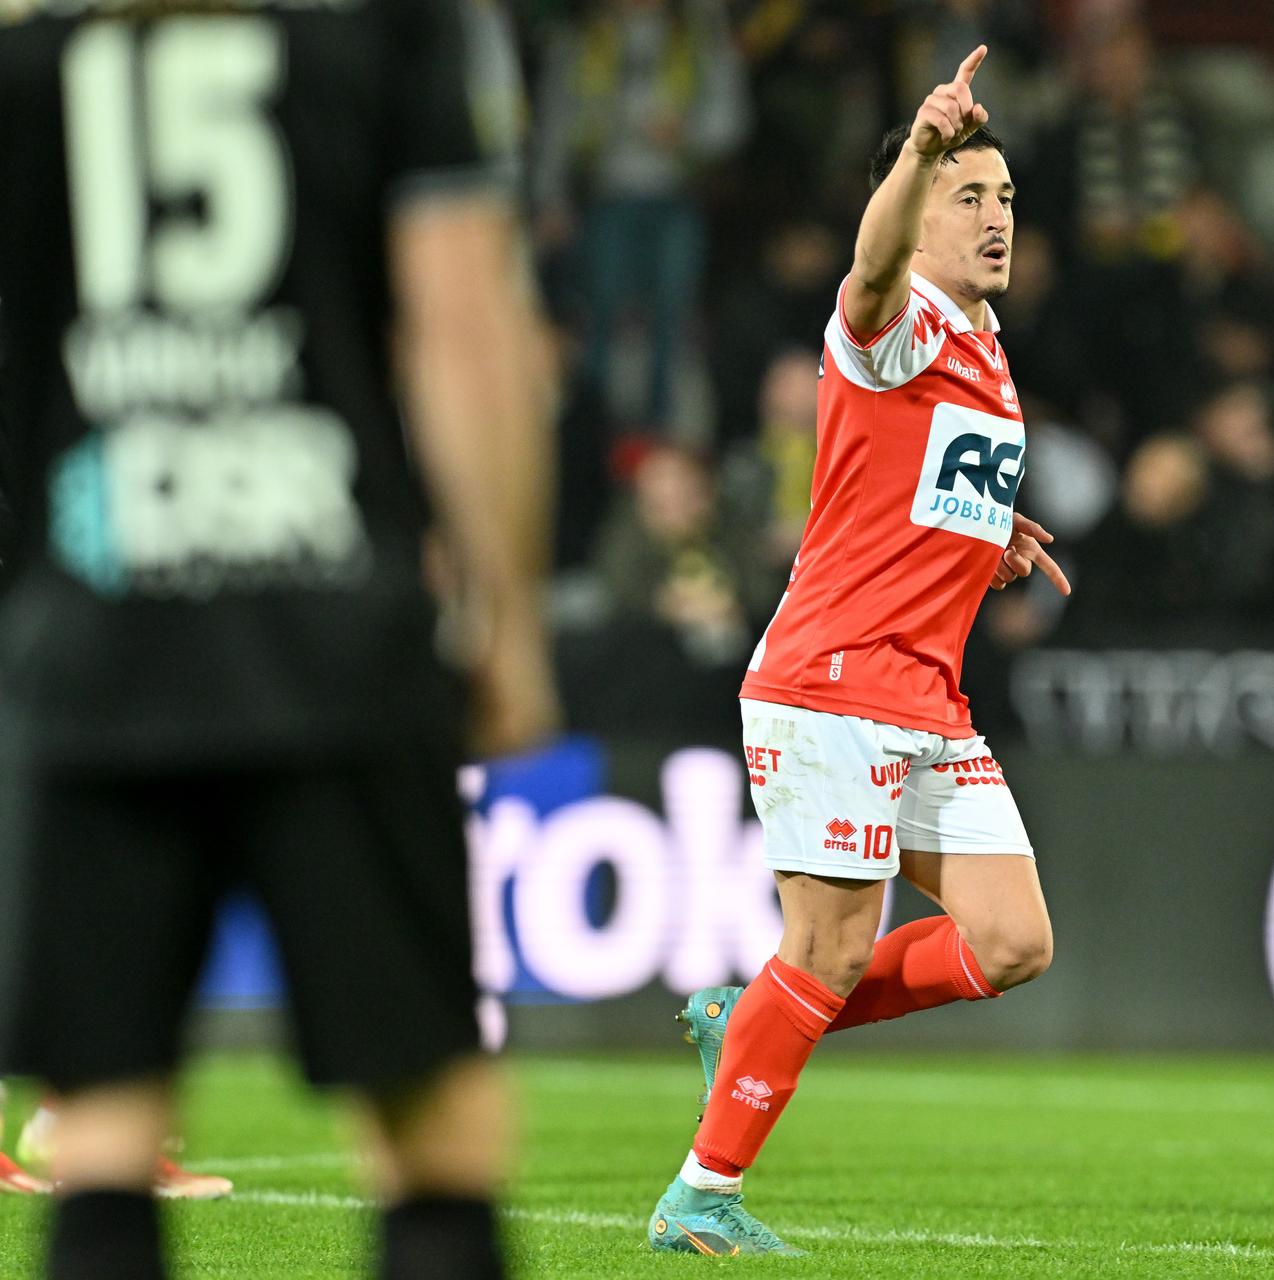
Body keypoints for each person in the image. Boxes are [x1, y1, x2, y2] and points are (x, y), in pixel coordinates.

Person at [0, 2, 558, 1277]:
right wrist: (507, 615)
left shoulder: (33, 48)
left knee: (100, 1129)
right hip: (336, 636)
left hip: (96, 638)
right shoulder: (391, 32)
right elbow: (462, 326)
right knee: (435, 1126)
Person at [645, 46, 1067, 1256]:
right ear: (919, 203)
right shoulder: (899, 316)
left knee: (1012, 939)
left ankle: (756, 1017)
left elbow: (912, 481)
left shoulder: (983, 343)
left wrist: (987, 531)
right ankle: (702, 1192)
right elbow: (869, 268)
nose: (993, 219)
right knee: (827, 944)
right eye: (966, 196)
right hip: (832, 677)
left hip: (925, 693)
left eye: (1003, 200)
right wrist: (922, 146)